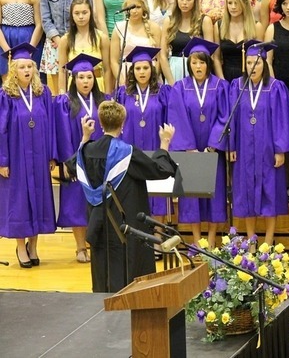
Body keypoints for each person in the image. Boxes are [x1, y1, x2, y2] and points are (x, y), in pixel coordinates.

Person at [65, 101, 177, 292]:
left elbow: (71, 166)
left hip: (99, 224)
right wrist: (164, 143)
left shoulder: (87, 151)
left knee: (102, 270)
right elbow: (159, 170)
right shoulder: (126, 153)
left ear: (101, 123)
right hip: (124, 227)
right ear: (122, 123)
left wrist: (85, 137)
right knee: (127, 272)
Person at [229, 40, 289, 246]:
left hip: (268, 150)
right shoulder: (237, 87)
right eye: (249, 63)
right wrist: (231, 146)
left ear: (264, 64)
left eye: (256, 63)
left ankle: (268, 242)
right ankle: (251, 241)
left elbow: (282, 120)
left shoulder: (275, 87)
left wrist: (280, 149)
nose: (252, 67)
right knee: (247, 194)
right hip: (244, 150)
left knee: (270, 193)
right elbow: (231, 119)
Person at [168, 37, 229, 248]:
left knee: (214, 193)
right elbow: (177, 117)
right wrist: (190, 147)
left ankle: (211, 242)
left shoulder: (220, 86)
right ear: (189, 64)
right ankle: (196, 241)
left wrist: (212, 145)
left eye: (202, 62)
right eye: (194, 62)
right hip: (191, 151)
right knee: (192, 195)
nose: (198, 66)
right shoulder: (180, 87)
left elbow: (224, 116)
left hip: (213, 151)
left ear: (208, 63)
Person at [0, 43, 56, 268]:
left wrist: (52, 155)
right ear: (14, 70)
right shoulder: (6, 96)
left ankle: (33, 245)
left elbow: (51, 125)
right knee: (20, 202)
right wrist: (3, 160)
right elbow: (1, 130)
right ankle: (21, 247)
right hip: (17, 158)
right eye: (22, 67)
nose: (26, 70)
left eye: (29, 66)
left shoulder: (43, 93)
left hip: (40, 157)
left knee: (39, 199)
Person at [55, 54, 107, 263]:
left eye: (89, 77)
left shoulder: (104, 101)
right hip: (77, 161)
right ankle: (80, 247)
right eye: (81, 77)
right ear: (74, 79)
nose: (86, 81)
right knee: (77, 203)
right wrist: (69, 163)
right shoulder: (65, 102)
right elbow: (62, 134)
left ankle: (97, 246)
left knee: (99, 204)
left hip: (100, 162)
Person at [116, 46, 171, 219]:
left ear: (152, 69)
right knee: (133, 194)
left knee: (157, 194)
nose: (142, 72)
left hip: (155, 147)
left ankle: (158, 234)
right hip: (130, 150)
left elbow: (168, 119)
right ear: (132, 71)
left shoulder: (162, 92)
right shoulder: (123, 93)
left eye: (145, 68)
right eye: (138, 68)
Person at [40, 0, 94, 95]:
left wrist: (74, 39)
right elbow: (45, 19)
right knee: (58, 90)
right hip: (54, 43)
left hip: (79, 41)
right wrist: (59, 40)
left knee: (80, 83)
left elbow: (89, 13)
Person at [160, 0, 214, 85]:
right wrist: (171, 83)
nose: (184, 2)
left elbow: (209, 55)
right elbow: (163, 56)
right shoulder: (169, 21)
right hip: (175, 69)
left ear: (195, 0)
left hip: (198, 69)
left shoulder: (204, 21)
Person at [0, 0, 43, 81]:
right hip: (6, 39)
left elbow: (39, 25)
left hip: (29, 38)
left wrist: (30, 48)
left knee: (31, 77)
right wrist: (7, 50)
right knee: (8, 78)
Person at [58, 0, 112, 94]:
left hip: (98, 87)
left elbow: (107, 69)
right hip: (74, 88)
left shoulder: (101, 38)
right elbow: (62, 71)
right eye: (77, 13)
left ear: (90, 13)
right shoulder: (65, 40)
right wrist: (62, 94)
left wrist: (108, 94)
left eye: (84, 12)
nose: (81, 17)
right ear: (72, 15)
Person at [213, 0, 263, 83]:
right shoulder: (219, 26)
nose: (233, 7)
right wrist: (222, 81)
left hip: (249, 79)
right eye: (230, 3)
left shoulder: (256, 26)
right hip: (225, 77)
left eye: (237, 3)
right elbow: (216, 58)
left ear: (245, 3)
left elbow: (260, 58)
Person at [110, 0, 161, 87]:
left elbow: (159, 59)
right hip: (126, 77)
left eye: (138, 7)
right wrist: (122, 82)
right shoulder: (119, 28)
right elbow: (114, 61)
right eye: (131, 7)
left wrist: (153, 80)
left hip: (151, 78)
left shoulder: (154, 28)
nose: (134, 11)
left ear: (144, 8)